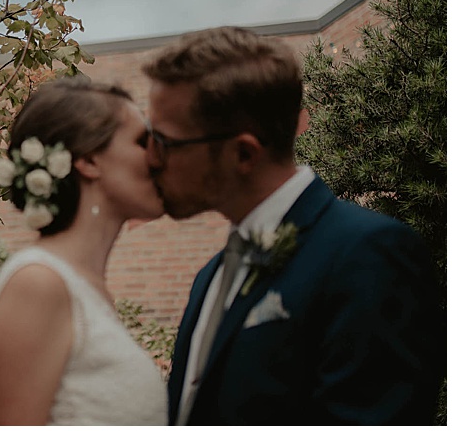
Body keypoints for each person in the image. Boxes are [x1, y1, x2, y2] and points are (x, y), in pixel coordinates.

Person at [147, 26, 441, 425]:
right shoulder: (209, 277)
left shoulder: (368, 254)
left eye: (163, 142)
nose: (151, 159)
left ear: (243, 154)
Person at [0, 76, 168, 425]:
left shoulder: (90, 290)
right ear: (89, 161)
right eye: (143, 141)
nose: (158, 158)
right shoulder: (38, 285)